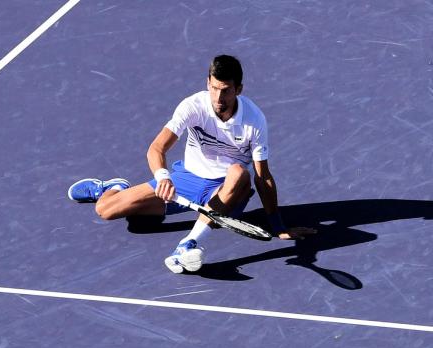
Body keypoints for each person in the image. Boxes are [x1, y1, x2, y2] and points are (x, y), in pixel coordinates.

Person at [67, 55, 316, 273]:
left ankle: (188, 243)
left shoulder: (254, 120)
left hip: (227, 189)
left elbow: (263, 177)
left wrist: (277, 225)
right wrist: (163, 177)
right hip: (186, 180)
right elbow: (157, 148)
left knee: (240, 172)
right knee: (106, 210)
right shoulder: (193, 106)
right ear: (208, 83)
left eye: (226, 90)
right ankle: (116, 187)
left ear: (238, 89)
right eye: (214, 88)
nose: (219, 97)